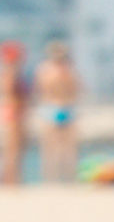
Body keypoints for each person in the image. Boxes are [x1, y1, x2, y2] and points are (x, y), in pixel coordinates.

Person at [32, 41, 83, 185]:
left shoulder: (67, 70)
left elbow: (76, 88)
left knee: (68, 146)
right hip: (52, 107)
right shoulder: (47, 70)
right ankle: (51, 178)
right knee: (51, 146)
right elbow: (40, 89)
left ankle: (67, 177)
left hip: (64, 106)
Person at [0, 38, 30, 186]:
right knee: (12, 148)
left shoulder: (3, 72)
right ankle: (12, 180)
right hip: (12, 111)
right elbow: (10, 93)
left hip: (8, 110)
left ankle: (11, 179)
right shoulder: (9, 72)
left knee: (11, 148)